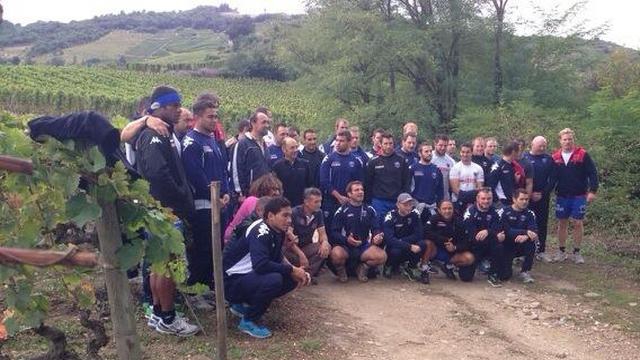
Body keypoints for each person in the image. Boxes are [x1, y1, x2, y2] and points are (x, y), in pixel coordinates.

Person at [135, 86, 199, 336]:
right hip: (165, 212)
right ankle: (169, 317)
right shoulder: (152, 135)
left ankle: (159, 313)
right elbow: (158, 175)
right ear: (158, 108)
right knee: (168, 266)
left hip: (161, 210)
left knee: (159, 266)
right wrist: (179, 197)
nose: (178, 109)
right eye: (173, 105)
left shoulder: (161, 132)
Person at [223, 197, 310, 339]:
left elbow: (276, 258)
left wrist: (296, 271)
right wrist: (292, 269)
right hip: (229, 283)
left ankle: (242, 305)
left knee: (290, 277)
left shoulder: (278, 230)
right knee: (274, 279)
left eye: (290, 216)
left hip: (245, 277)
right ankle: (248, 320)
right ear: (270, 216)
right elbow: (261, 265)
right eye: (285, 215)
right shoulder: (260, 231)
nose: (289, 220)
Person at [181, 97, 231, 297]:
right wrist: (214, 197)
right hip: (203, 206)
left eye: (216, 116)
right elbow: (195, 176)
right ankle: (195, 291)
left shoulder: (213, 140)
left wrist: (225, 194)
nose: (214, 121)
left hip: (220, 204)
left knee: (215, 249)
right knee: (202, 250)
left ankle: (208, 286)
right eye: (210, 117)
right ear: (197, 117)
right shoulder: (191, 143)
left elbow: (222, 170)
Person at [549, 128, 598, 264]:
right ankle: (561, 251)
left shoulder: (582, 154)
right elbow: (552, 178)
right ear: (560, 141)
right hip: (562, 195)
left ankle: (577, 252)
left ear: (573, 140)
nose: (567, 142)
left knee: (577, 222)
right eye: (565, 139)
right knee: (562, 222)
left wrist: (592, 191)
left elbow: (593, 173)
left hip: (579, 195)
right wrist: (546, 191)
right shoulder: (555, 157)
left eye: (570, 139)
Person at [330, 181, 386, 282]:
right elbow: (334, 233)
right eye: (356, 190)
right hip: (345, 247)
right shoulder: (341, 210)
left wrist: (377, 236)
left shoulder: (370, 210)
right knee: (335, 254)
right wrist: (347, 240)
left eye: (362, 190)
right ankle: (341, 271)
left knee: (382, 256)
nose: (360, 192)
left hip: (363, 247)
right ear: (349, 194)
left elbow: (376, 228)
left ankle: (362, 268)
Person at [319, 130, 364, 230]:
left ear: (349, 142)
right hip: (330, 202)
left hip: (349, 202)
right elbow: (324, 181)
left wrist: (350, 198)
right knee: (330, 231)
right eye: (337, 140)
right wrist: (339, 197)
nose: (338, 143)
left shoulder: (356, 161)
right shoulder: (328, 159)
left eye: (341, 141)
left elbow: (358, 183)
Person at [423, 200, 475, 282]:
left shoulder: (459, 222)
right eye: (444, 208)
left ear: (453, 209)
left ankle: (448, 266)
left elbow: (466, 242)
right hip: (435, 250)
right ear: (439, 210)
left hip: (450, 252)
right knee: (427, 243)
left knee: (469, 258)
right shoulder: (434, 219)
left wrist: (455, 247)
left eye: (450, 208)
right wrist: (442, 239)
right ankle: (424, 270)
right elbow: (425, 232)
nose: (447, 211)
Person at [463, 188, 506, 287]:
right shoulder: (470, 212)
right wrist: (493, 234)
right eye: (483, 198)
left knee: (504, 274)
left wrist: (488, 231)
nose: (486, 201)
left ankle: (493, 274)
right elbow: (473, 236)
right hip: (474, 247)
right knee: (466, 277)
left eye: (489, 198)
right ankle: (480, 264)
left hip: (491, 246)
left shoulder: (496, 211)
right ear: (477, 199)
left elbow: (501, 229)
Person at [287, 188, 331, 281]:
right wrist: (301, 254)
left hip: (306, 246)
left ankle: (307, 275)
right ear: (306, 202)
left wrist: (325, 242)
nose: (319, 204)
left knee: (325, 247)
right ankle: (295, 275)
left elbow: (322, 233)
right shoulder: (294, 212)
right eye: (316, 202)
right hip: (291, 249)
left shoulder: (318, 213)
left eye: (320, 201)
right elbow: (289, 237)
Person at [366, 132, 411, 223]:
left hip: (396, 201)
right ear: (380, 144)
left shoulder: (401, 161)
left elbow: (406, 182)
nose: (388, 146)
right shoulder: (373, 162)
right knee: (379, 228)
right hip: (379, 201)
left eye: (390, 143)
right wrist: (368, 202)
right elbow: (368, 183)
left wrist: (404, 200)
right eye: (385, 143)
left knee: (396, 228)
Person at [224, 174, 283, 242]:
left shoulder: (272, 206)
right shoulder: (252, 201)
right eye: (274, 189)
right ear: (264, 189)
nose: (277, 193)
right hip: (234, 239)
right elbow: (261, 223)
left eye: (278, 189)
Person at [523, 136, 554, 263]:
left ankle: (541, 251)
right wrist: (528, 194)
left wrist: (542, 193)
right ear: (532, 144)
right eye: (539, 145)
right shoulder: (524, 157)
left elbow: (553, 179)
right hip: (525, 198)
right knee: (525, 223)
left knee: (542, 223)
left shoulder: (548, 159)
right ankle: (523, 251)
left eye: (544, 146)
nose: (542, 148)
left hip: (542, 197)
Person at [382, 193, 424, 281]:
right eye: (405, 205)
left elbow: (419, 234)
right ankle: (389, 266)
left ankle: (411, 267)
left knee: (422, 244)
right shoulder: (390, 216)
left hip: (407, 243)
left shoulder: (415, 214)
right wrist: (408, 246)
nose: (408, 207)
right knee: (395, 251)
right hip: (395, 246)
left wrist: (403, 241)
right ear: (398, 205)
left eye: (410, 204)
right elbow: (389, 239)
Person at [500, 189, 538, 283]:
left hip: (522, 243)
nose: (524, 202)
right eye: (521, 199)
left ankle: (525, 271)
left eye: (526, 199)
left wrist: (527, 236)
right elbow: (507, 231)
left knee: (532, 242)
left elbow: (533, 231)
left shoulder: (530, 213)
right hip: (507, 244)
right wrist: (525, 232)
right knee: (505, 276)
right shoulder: (504, 212)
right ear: (514, 199)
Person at [231, 110, 271, 198]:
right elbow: (236, 169)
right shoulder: (243, 144)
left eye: (268, 122)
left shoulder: (265, 145)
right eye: (264, 122)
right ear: (253, 123)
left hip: (264, 195)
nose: (267, 125)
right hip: (249, 195)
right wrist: (240, 193)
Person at [272, 137, 312, 206]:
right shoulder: (277, 166)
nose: (295, 150)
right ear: (284, 149)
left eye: (296, 147)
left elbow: (309, 185)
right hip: (284, 205)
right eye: (292, 148)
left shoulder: (305, 164)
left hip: (302, 205)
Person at [450, 143, 484, 216]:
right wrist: (468, 196)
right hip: (458, 201)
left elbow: (479, 188)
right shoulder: (455, 168)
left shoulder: (478, 168)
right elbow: (455, 189)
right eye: (463, 152)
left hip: (474, 202)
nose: (465, 154)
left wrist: (472, 198)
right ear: (460, 152)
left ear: (472, 153)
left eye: (468, 152)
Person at [410, 142, 444, 217]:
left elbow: (440, 191)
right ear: (419, 153)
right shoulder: (413, 169)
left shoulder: (436, 169)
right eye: (426, 151)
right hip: (417, 206)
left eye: (430, 151)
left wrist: (439, 205)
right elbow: (408, 188)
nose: (429, 153)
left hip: (432, 207)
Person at [487, 141, 524, 207]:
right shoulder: (497, 166)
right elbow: (490, 186)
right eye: (518, 151)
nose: (519, 153)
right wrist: (497, 201)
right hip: (501, 202)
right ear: (513, 152)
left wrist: (516, 180)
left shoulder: (512, 165)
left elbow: (510, 184)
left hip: (511, 202)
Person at [431, 134, 455, 201]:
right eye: (440, 145)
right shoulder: (429, 157)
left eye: (445, 146)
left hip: (444, 198)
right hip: (430, 196)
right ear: (435, 144)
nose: (443, 148)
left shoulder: (451, 161)